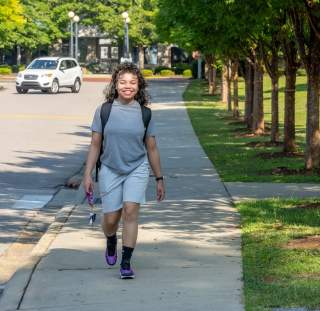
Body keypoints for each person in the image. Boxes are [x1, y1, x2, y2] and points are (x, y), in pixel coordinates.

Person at [83, 62, 165, 279]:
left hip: (137, 168)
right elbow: (94, 145)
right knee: (111, 219)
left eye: (132, 82)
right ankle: (111, 239)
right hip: (110, 168)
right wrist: (88, 174)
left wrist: (159, 178)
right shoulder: (104, 111)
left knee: (130, 210)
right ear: (115, 85)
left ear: (139, 86)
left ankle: (126, 263)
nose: (127, 86)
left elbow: (152, 148)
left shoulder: (145, 114)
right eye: (123, 82)